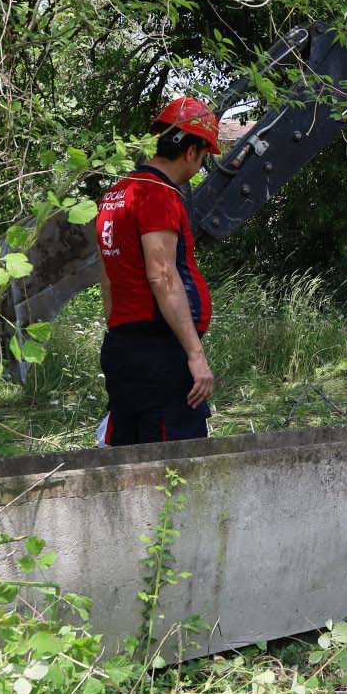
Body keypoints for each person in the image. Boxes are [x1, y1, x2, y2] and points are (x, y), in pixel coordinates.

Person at [94, 97, 222, 446]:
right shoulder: (158, 195)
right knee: (174, 465)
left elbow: (108, 273)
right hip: (160, 354)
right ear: (192, 151)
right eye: (204, 154)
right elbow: (163, 274)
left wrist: (122, 334)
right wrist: (195, 356)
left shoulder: (115, 195)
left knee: (130, 457)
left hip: (123, 348)